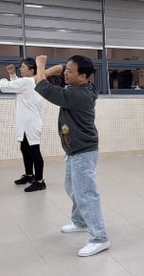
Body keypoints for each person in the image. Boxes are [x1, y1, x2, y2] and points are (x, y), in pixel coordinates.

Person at [34, 55, 110, 257]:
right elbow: (54, 73)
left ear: (83, 76)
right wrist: (60, 69)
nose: (65, 74)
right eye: (65, 70)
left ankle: (99, 238)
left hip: (83, 152)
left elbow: (43, 86)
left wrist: (41, 64)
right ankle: (80, 221)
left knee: (86, 194)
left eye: (70, 71)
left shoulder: (77, 95)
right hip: (74, 150)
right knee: (72, 188)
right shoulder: (81, 87)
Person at [0, 59, 46, 192]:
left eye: (23, 67)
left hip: (30, 123)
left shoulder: (26, 81)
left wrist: (2, 79)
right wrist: (12, 75)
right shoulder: (32, 81)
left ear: (32, 70)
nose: (20, 69)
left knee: (34, 151)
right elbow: (17, 85)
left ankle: (40, 181)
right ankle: (29, 175)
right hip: (28, 122)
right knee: (25, 148)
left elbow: (5, 87)